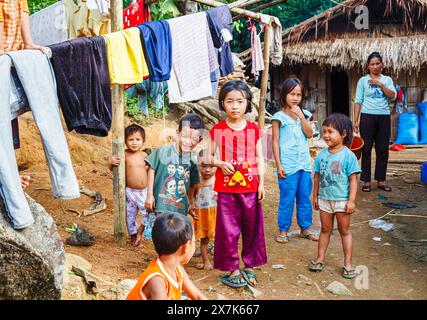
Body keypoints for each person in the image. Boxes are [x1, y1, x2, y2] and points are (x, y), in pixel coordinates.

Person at [207, 80, 267, 288]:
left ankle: (249, 266)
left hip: (251, 188)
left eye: (239, 101)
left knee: (252, 227)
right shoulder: (217, 130)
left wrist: (261, 184)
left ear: (247, 103)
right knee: (228, 230)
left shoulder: (253, 129)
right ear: (222, 103)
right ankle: (232, 269)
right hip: (226, 190)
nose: (235, 106)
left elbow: (260, 158)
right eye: (230, 101)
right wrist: (220, 163)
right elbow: (206, 157)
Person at [310, 113, 361, 279]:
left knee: (344, 231)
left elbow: (353, 180)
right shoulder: (321, 155)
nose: (325, 135)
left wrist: (351, 201)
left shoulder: (349, 156)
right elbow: (317, 176)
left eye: (330, 131)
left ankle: (348, 264)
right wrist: (315, 196)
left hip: (342, 201)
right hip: (324, 199)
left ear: (344, 134)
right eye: (324, 131)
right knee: (325, 229)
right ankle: (320, 258)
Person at [272, 77, 318, 244]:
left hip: (304, 165)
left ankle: (304, 229)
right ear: (284, 94)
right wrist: (278, 165)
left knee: (304, 197)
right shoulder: (278, 117)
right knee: (287, 198)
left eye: (299, 95)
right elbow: (275, 142)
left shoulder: (305, 114)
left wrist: (301, 117)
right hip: (288, 166)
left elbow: (309, 134)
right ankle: (283, 230)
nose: (295, 98)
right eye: (292, 94)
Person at [127, 213, 207, 300]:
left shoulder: (177, 268)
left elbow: (198, 296)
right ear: (186, 246)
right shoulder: (157, 279)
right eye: (194, 240)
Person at [145, 113, 204, 219]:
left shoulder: (193, 160)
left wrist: (191, 202)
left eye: (194, 138)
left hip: (180, 207)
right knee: (161, 231)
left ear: (200, 140)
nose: (188, 142)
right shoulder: (162, 151)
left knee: (176, 233)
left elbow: (192, 184)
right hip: (161, 203)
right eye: (185, 136)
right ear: (177, 133)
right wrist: (149, 195)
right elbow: (151, 170)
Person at [353, 51, 397, 192]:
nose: (375, 66)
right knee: (366, 149)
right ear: (368, 66)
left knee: (383, 148)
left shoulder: (387, 79)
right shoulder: (362, 81)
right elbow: (358, 101)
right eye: (372, 64)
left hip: (383, 116)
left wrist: (380, 85)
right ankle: (366, 181)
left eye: (378, 63)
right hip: (367, 117)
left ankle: (381, 181)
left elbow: (392, 96)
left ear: (382, 64)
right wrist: (355, 120)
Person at [109, 124, 148, 246]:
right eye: (131, 140)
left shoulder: (145, 156)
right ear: (125, 141)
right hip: (130, 192)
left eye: (138, 139)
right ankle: (133, 236)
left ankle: (141, 231)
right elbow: (113, 169)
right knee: (129, 216)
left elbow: (150, 171)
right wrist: (111, 162)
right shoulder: (123, 154)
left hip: (144, 192)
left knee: (149, 213)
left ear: (143, 141)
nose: (134, 142)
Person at [193, 149, 217, 270]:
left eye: (211, 166)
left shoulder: (218, 180)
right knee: (205, 239)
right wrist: (191, 207)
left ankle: (220, 259)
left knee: (220, 237)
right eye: (203, 166)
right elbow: (191, 196)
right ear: (198, 165)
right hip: (202, 215)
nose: (207, 170)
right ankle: (206, 261)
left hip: (217, 214)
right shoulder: (196, 181)